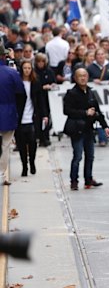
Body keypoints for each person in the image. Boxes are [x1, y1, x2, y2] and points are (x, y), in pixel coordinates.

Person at [63, 68, 109, 190]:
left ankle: (88, 179)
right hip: (77, 129)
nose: (83, 78)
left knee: (90, 156)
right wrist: (85, 112)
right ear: (75, 78)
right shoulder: (71, 93)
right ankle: (74, 181)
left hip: (89, 129)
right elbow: (67, 110)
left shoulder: (90, 92)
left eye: (85, 75)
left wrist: (105, 126)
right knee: (78, 156)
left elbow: (98, 111)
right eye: (80, 76)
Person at [16, 60, 48, 177]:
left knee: (33, 143)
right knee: (21, 145)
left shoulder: (36, 83)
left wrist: (44, 115)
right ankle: (24, 166)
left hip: (33, 117)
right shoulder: (18, 83)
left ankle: (32, 162)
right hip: (20, 118)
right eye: (25, 68)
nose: (27, 70)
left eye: (29, 68)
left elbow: (41, 101)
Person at [0, 43, 26, 186]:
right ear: (4, 56)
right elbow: (21, 92)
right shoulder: (11, 73)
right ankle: (3, 174)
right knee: (5, 145)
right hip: (8, 113)